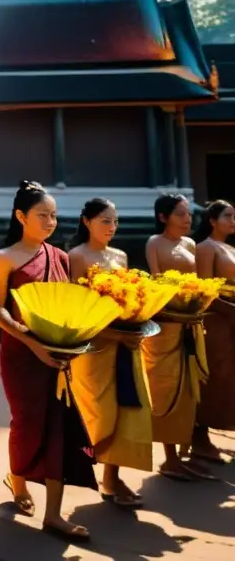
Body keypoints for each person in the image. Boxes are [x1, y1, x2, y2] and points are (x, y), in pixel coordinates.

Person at [0, 180, 96, 543]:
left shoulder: (60, 257)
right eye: (42, 215)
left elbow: (65, 306)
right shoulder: (4, 257)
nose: (50, 221)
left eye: (53, 215)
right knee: (26, 422)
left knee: (59, 428)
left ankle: (54, 514)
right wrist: (32, 343)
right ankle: (17, 479)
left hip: (58, 354)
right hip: (21, 353)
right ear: (20, 216)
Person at [67, 198, 151, 509]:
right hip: (94, 345)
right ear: (86, 221)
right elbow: (77, 306)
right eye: (104, 220)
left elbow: (128, 301)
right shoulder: (75, 256)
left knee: (125, 411)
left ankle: (112, 476)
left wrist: (134, 323)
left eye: (114, 221)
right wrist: (109, 332)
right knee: (97, 412)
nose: (111, 227)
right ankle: (79, 465)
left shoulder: (120, 256)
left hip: (123, 343)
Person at [142, 193, 214, 481]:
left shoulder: (190, 244)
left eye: (188, 214)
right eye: (180, 214)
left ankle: (189, 450)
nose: (188, 219)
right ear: (163, 217)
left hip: (190, 323)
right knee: (166, 389)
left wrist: (197, 303)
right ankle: (169, 458)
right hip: (166, 323)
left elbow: (197, 283)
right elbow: (156, 282)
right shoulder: (154, 243)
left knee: (190, 389)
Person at [190, 200, 235, 462]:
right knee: (215, 378)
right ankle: (200, 438)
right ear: (212, 220)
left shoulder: (229, 247)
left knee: (231, 381)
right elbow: (206, 294)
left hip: (231, 319)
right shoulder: (205, 248)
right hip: (217, 321)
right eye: (228, 216)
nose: (233, 221)